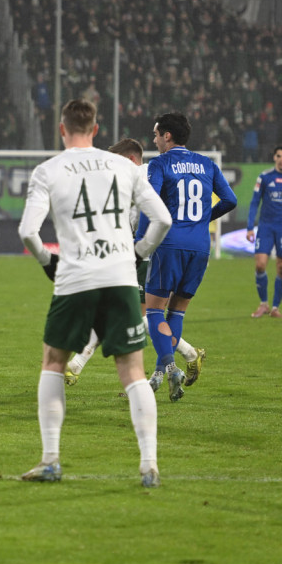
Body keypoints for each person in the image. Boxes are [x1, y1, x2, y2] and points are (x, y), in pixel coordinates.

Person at [17, 99, 172, 488]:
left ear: (62, 129)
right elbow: (162, 220)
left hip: (74, 278)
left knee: (54, 362)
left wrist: (47, 263)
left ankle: (51, 459)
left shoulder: (48, 170)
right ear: (97, 130)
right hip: (121, 276)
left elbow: (27, 232)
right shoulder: (125, 166)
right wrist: (137, 254)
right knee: (132, 371)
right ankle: (149, 464)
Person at [64, 139, 207, 388]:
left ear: (130, 160)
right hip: (145, 254)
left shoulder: (141, 177)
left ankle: (78, 365)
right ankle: (189, 354)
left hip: (148, 256)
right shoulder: (150, 175)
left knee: (138, 317)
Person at [140, 112, 237, 402]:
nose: (155, 139)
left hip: (169, 243)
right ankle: (160, 375)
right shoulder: (207, 164)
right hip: (200, 245)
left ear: (167, 136)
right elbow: (230, 200)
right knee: (178, 310)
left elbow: (152, 201)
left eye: (157, 134)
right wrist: (204, 217)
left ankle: (170, 370)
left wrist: (139, 241)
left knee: (154, 310)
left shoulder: (160, 163)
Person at [246, 144, 282, 319]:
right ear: (274, 158)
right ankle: (263, 304)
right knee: (260, 265)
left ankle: (275, 308)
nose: (281, 160)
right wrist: (250, 227)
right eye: (278, 156)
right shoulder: (264, 177)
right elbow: (254, 202)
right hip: (266, 227)